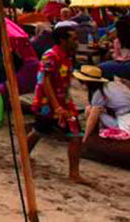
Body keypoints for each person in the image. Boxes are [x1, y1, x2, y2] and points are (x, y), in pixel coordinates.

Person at [27, 27, 90, 185]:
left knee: (76, 135)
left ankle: (74, 173)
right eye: (73, 39)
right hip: (48, 104)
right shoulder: (50, 56)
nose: (76, 42)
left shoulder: (67, 57)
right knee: (39, 131)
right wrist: (56, 107)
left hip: (65, 103)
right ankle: (23, 156)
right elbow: (45, 82)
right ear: (63, 40)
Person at [75, 65, 130, 140]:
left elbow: (92, 118)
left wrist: (85, 138)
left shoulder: (99, 94)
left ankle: (95, 137)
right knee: (97, 109)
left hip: (129, 126)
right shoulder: (115, 84)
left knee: (89, 110)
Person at [98, 17, 130, 81]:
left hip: (126, 65)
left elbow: (117, 57)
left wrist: (112, 53)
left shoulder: (119, 40)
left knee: (101, 67)